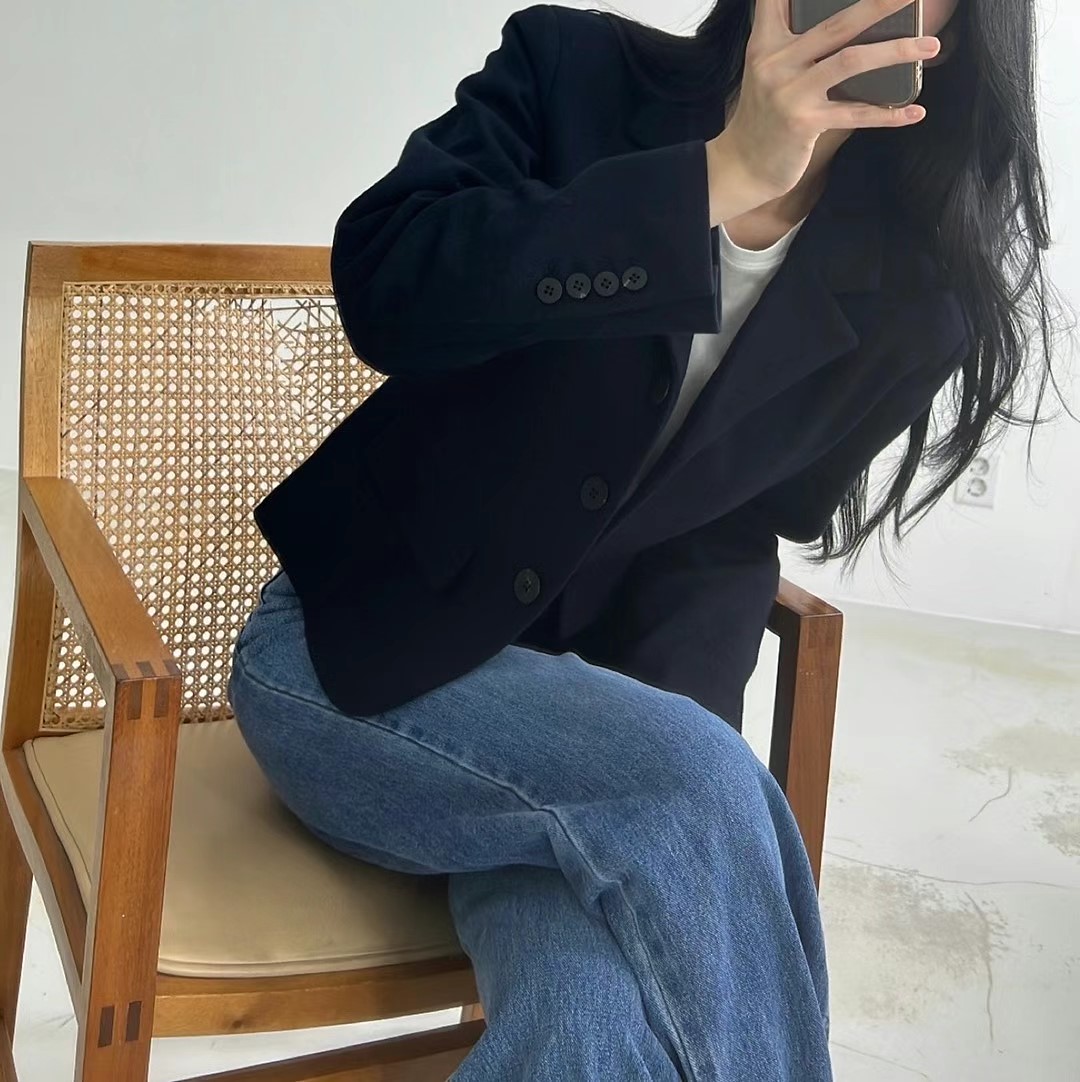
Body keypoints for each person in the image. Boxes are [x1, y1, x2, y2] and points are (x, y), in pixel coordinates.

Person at [228, 1, 1066, 1078]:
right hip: (348, 668)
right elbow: (386, 288)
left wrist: (648, 729)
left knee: (587, 1021)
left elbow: (737, 526)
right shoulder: (574, 71)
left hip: (593, 758)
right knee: (702, 785)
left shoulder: (919, 292)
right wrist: (716, 176)